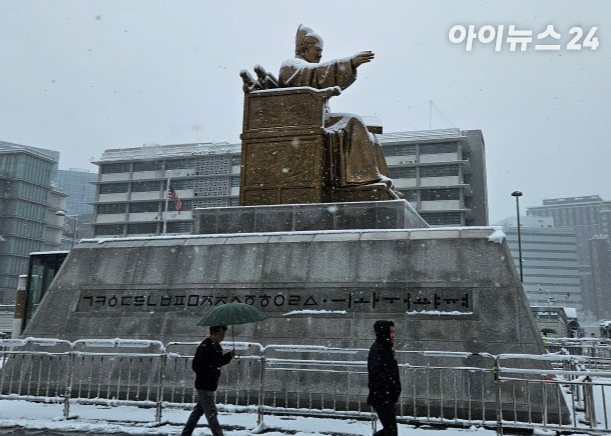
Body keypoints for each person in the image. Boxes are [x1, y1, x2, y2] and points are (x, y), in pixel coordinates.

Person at [278, 25, 401, 198]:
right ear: (304, 48)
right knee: (353, 122)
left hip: (315, 118)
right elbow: (314, 74)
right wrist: (349, 63)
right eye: (318, 50)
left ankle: (381, 180)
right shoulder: (291, 65)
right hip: (302, 120)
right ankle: (362, 179)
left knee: (371, 136)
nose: (320, 54)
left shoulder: (304, 65)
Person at [181, 325, 236, 436]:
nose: (224, 336)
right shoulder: (204, 346)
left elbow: (218, 363)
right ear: (214, 333)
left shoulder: (217, 347)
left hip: (211, 383)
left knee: (198, 412)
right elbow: (196, 366)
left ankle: (186, 433)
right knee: (211, 412)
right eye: (222, 333)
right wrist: (209, 370)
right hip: (204, 384)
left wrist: (229, 356)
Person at [367, 320, 401, 436]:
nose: (393, 335)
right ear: (383, 332)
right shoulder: (378, 350)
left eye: (393, 332)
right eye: (390, 332)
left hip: (386, 396)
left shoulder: (385, 348)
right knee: (391, 432)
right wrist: (392, 386)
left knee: (389, 431)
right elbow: (376, 373)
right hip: (382, 397)